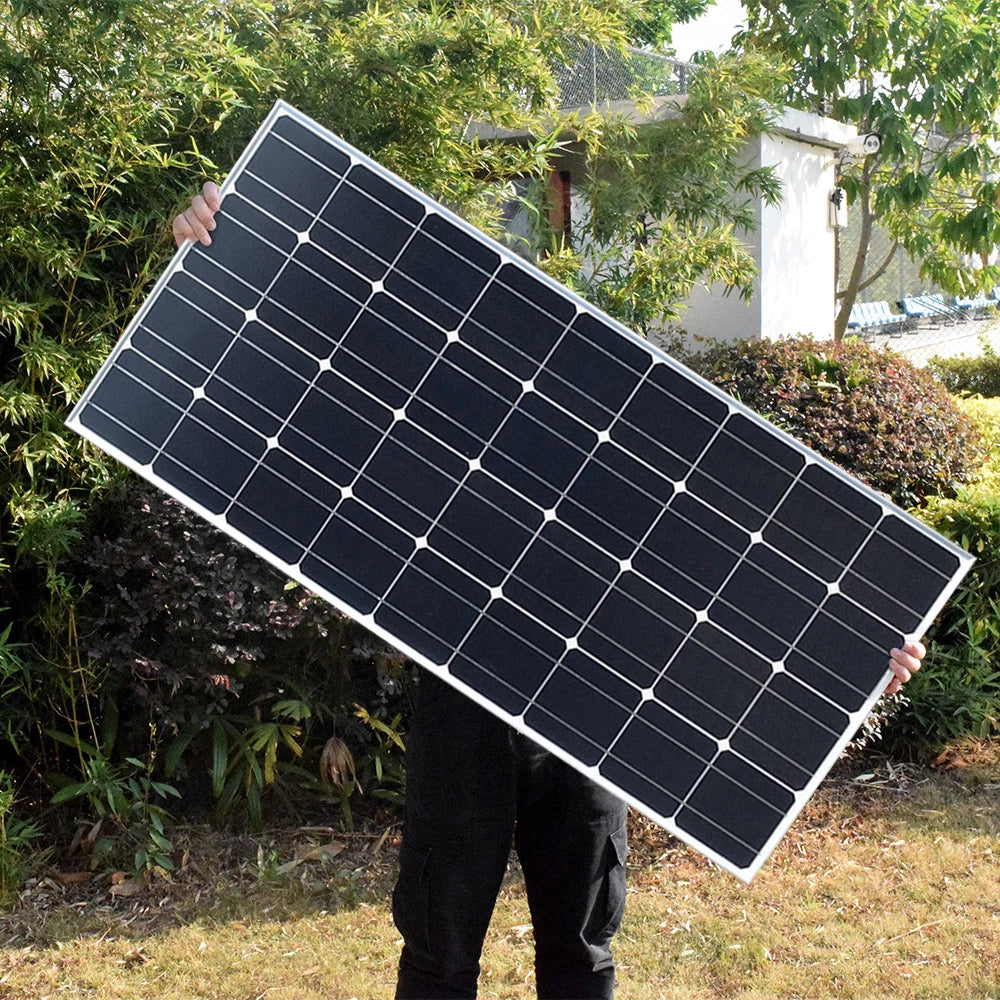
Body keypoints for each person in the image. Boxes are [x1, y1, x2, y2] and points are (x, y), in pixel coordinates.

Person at [174, 185, 929, 999]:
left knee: (582, 956)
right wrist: (209, 248)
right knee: (438, 957)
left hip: (592, 713)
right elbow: (296, 383)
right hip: (462, 699)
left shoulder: (627, 433)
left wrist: (858, 651)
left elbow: (733, 568)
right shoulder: (432, 413)